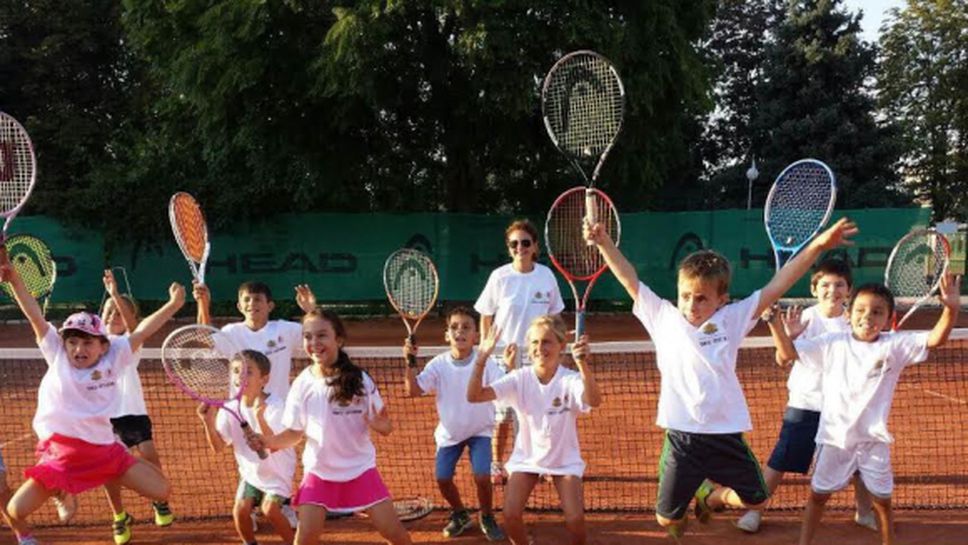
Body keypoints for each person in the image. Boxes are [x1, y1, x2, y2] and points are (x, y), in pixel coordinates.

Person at [585, 216, 857, 539]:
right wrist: (603, 243)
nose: (691, 304)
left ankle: (711, 496)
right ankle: (698, 497)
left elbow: (779, 283)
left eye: (702, 298)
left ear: (721, 299)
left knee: (757, 499)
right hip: (682, 438)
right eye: (686, 295)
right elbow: (629, 278)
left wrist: (819, 245)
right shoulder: (663, 317)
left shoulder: (732, 319)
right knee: (664, 521)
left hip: (725, 434)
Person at [0, 252, 184, 542]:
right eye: (72, 341)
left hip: (104, 452)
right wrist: (14, 279)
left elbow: (144, 330)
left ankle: (107, 475)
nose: (78, 348)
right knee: (16, 509)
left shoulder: (115, 355)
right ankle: (63, 490)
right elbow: (34, 314)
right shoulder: (56, 353)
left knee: (162, 491)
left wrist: (173, 304)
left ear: (102, 345)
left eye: (87, 342)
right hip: (61, 455)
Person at [771, 277, 960, 545]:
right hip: (834, 439)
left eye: (877, 312)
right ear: (848, 315)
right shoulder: (832, 343)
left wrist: (950, 309)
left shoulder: (895, 345)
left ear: (888, 318)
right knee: (818, 496)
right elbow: (787, 355)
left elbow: (935, 339)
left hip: (874, 441)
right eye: (860, 310)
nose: (867, 317)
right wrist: (775, 324)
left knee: (882, 501)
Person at [247, 308, 412, 545]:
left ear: (339, 339)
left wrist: (378, 423)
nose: (314, 342)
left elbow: (386, 427)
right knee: (305, 539)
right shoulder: (302, 383)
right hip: (319, 473)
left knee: (395, 535)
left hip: (360, 470)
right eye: (308, 336)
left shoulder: (360, 380)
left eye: (322, 335)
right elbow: (295, 433)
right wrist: (268, 441)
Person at [736, 259, 875, 533]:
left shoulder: (855, 320)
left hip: (843, 407)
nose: (832, 290)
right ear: (814, 289)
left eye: (839, 285)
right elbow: (782, 359)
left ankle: (864, 511)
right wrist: (788, 335)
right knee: (781, 460)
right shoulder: (805, 317)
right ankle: (755, 511)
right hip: (806, 402)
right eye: (825, 284)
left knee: (858, 462)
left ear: (849, 290)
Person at [467, 315, 602, 545]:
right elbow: (474, 395)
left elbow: (594, 400)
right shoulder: (519, 379)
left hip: (564, 460)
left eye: (547, 342)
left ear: (561, 346)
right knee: (510, 515)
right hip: (527, 458)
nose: (540, 348)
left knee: (575, 519)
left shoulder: (570, 379)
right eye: (535, 343)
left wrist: (583, 366)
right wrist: (481, 357)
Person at [402, 306, 506, 540]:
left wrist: (508, 366)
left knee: (482, 476)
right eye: (454, 327)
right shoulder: (438, 364)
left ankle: (487, 515)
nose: (460, 331)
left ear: (476, 336)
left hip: (481, 430)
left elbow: (503, 386)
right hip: (450, 433)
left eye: (466, 327)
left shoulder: (486, 363)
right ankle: (460, 514)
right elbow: (414, 390)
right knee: (443, 478)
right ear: (447, 335)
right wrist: (410, 362)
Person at [475, 219, 564, 483]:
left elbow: (556, 316)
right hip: (505, 355)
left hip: (540, 356)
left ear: (535, 246)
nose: (520, 248)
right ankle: (496, 464)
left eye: (525, 243)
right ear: (509, 248)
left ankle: (544, 462)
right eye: (514, 244)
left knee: (541, 411)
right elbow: (485, 314)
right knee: (503, 414)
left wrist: (557, 347)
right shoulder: (500, 277)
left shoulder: (546, 276)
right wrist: (487, 347)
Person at [99, 269, 175, 544]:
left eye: (117, 312)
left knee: (149, 455)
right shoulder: (95, 345)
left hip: (134, 413)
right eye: (108, 312)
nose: (112, 316)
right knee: (108, 470)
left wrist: (115, 295)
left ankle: (159, 500)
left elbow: (134, 328)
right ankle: (119, 516)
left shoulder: (128, 345)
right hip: (106, 419)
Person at [197, 349, 297, 545]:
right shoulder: (230, 409)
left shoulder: (276, 406)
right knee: (240, 510)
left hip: (278, 473)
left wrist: (260, 418)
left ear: (264, 379)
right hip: (252, 474)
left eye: (248, 372)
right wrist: (207, 422)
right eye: (236, 371)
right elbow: (218, 447)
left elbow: (275, 445)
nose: (240, 376)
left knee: (270, 509)